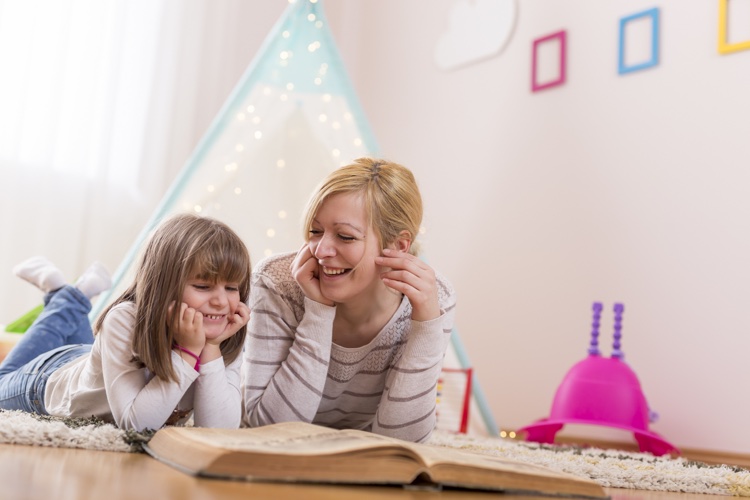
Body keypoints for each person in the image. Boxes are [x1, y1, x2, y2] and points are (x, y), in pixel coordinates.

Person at [242, 157, 456, 443]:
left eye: (345, 236)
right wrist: (317, 313)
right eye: (315, 232)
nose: (321, 250)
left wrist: (427, 327)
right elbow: (266, 431)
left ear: (398, 246)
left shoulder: (433, 299)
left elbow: (402, 446)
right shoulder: (278, 282)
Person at [0, 213, 251, 431]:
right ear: (162, 285)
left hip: (100, 364)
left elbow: (218, 429)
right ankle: (67, 299)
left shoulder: (222, 336)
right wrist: (187, 352)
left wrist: (210, 349)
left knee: (95, 364)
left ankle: (67, 293)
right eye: (203, 286)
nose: (221, 302)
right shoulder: (124, 319)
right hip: (48, 381)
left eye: (231, 287)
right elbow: (137, 425)